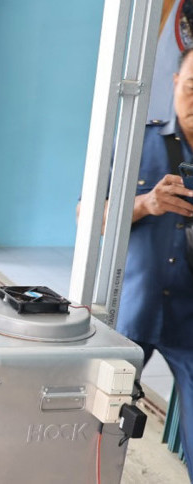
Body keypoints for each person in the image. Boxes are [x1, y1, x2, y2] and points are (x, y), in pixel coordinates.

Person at [105, 47, 193, 482]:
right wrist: (145, 203)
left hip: (190, 321)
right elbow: (92, 217)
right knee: (97, 427)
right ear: (176, 82)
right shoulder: (139, 141)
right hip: (131, 313)